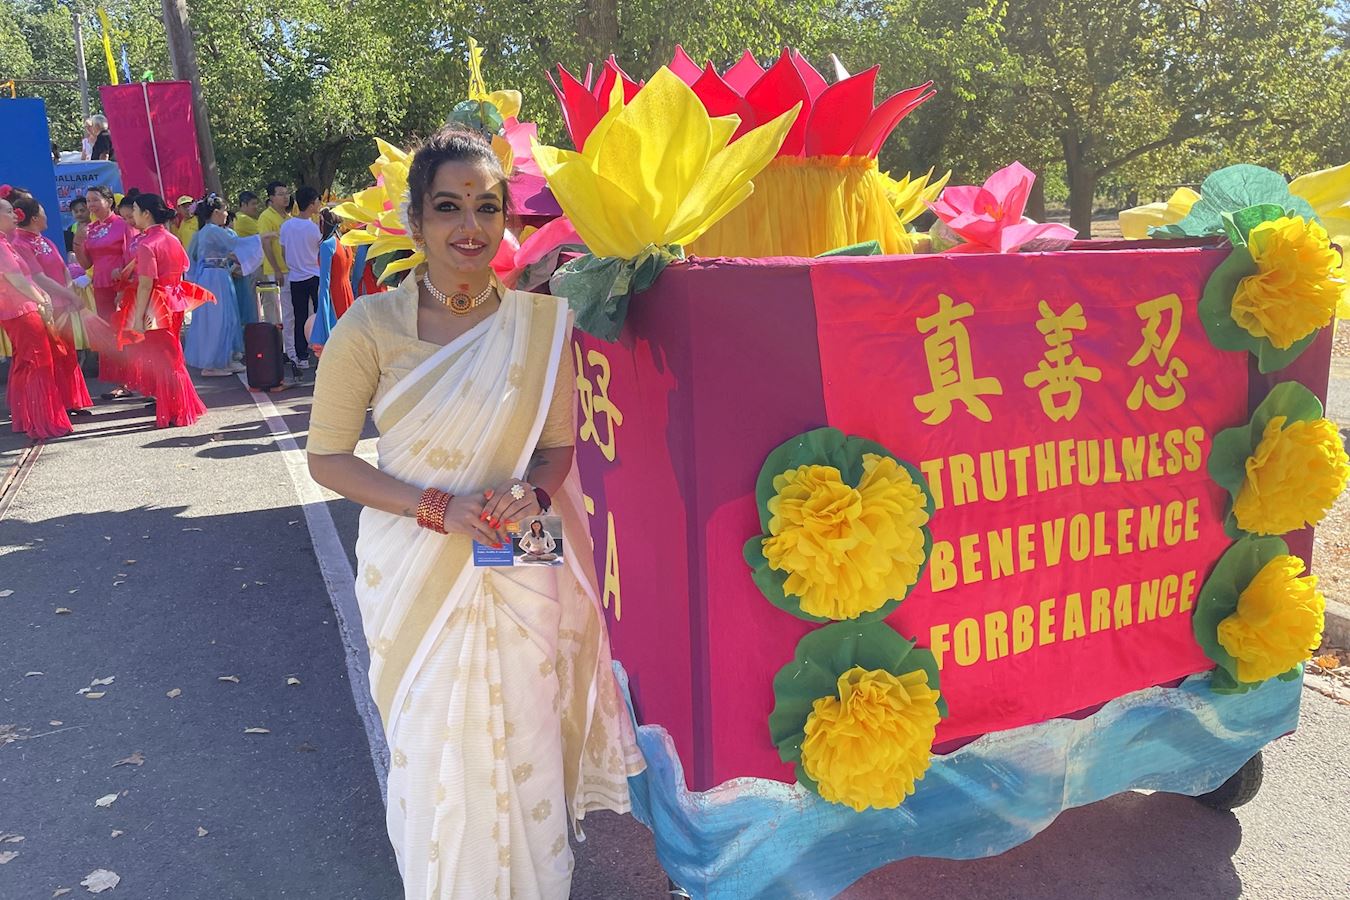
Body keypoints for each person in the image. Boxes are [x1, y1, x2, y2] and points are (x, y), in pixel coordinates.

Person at [305, 127, 641, 899]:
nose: (470, 226)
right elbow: (329, 459)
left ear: (506, 221)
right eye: (448, 207)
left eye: (487, 207)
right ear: (415, 220)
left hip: (518, 551)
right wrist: (439, 508)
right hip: (414, 559)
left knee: (526, 729)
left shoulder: (540, 326)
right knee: (437, 744)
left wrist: (535, 493)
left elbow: (556, 448)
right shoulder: (371, 327)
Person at [116, 193, 211, 428]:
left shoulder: (147, 244)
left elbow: (146, 284)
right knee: (173, 356)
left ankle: (177, 410)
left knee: (165, 359)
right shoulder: (171, 238)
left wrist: (138, 317)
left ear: (146, 214)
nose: (133, 215)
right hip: (174, 300)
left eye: (135, 210)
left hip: (156, 305)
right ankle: (182, 406)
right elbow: (182, 268)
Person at [9, 189, 93, 415]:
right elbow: (38, 277)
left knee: (68, 353)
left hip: (62, 304)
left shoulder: (43, 240)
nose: (47, 217)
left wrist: (69, 292)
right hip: (45, 308)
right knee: (53, 356)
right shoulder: (20, 243)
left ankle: (71, 400)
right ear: (35, 218)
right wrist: (68, 295)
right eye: (44, 213)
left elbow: (63, 268)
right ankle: (55, 405)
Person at [0, 188, 72, 440]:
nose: (15, 215)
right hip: (22, 311)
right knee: (39, 364)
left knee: (26, 364)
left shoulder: (5, 244)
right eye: (9, 211)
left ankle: (27, 418)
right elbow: (17, 280)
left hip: (19, 309)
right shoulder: (2, 247)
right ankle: (44, 421)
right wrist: (42, 299)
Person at [74, 185, 135, 394]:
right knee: (109, 333)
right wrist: (78, 242)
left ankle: (137, 378)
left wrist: (123, 285)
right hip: (100, 287)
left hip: (121, 285)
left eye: (95, 199)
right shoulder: (90, 229)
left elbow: (131, 255)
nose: (90, 204)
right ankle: (122, 381)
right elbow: (86, 263)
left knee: (126, 331)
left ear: (109, 202)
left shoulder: (122, 225)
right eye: (88, 200)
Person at [183, 194, 244, 376]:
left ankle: (224, 359)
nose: (226, 214)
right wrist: (261, 238)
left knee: (225, 317)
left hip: (216, 275)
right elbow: (235, 243)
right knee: (218, 318)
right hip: (214, 277)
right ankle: (212, 363)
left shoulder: (206, 231)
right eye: (224, 210)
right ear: (216, 212)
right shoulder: (212, 230)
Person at [278, 187, 322, 369]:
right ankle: (321, 351)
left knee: (300, 316)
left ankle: (301, 357)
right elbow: (320, 252)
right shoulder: (313, 228)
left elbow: (283, 251)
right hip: (314, 275)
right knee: (320, 315)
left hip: (295, 277)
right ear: (311, 204)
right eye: (317, 201)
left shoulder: (286, 226)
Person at [257, 181, 296, 363]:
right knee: (276, 312)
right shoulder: (266, 217)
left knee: (289, 311)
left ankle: (290, 348)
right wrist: (277, 269)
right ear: (271, 197)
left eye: (287, 193)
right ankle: (279, 350)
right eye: (280, 194)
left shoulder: (288, 217)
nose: (285, 197)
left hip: (291, 270)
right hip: (277, 271)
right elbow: (265, 243)